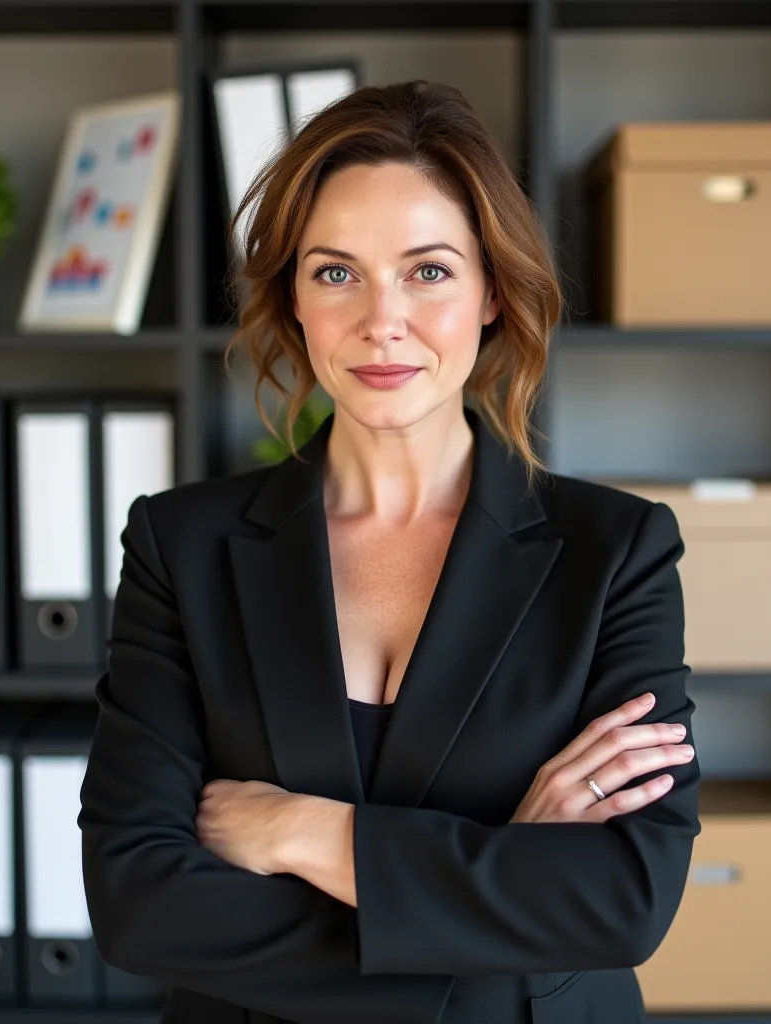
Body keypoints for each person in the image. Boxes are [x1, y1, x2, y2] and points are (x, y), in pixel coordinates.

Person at [79, 79, 701, 1024]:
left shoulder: (615, 553)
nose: (382, 319)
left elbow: (622, 897)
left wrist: (303, 831)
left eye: (429, 270)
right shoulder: (181, 545)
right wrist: (501, 891)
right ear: (293, 295)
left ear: (494, 290)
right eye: (336, 272)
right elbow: (138, 904)